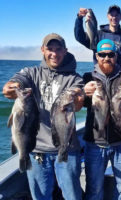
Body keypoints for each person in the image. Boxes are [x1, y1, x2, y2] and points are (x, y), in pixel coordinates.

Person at [2, 33, 84, 200]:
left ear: (65, 51)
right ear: (42, 50)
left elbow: (78, 104)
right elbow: (12, 86)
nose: (54, 53)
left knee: (72, 196)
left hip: (67, 148)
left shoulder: (75, 78)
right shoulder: (31, 72)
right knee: (40, 197)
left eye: (58, 49)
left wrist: (77, 97)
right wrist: (12, 87)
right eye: (50, 49)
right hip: (36, 149)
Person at [82, 39, 121, 200]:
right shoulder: (87, 77)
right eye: (102, 54)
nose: (106, 58)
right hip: (94, 143)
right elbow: (81, 104)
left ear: (116, 57)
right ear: (96, 56)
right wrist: (82, 92)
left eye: (110, 54)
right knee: (94, 189)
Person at [75, 5, 121, 69]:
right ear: (107, 16)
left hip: (119, 76)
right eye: (111, 15)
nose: (114, 17)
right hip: (99, 75)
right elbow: (79, 37)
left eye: (116, 15)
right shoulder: (98, 35)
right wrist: (79, 18)